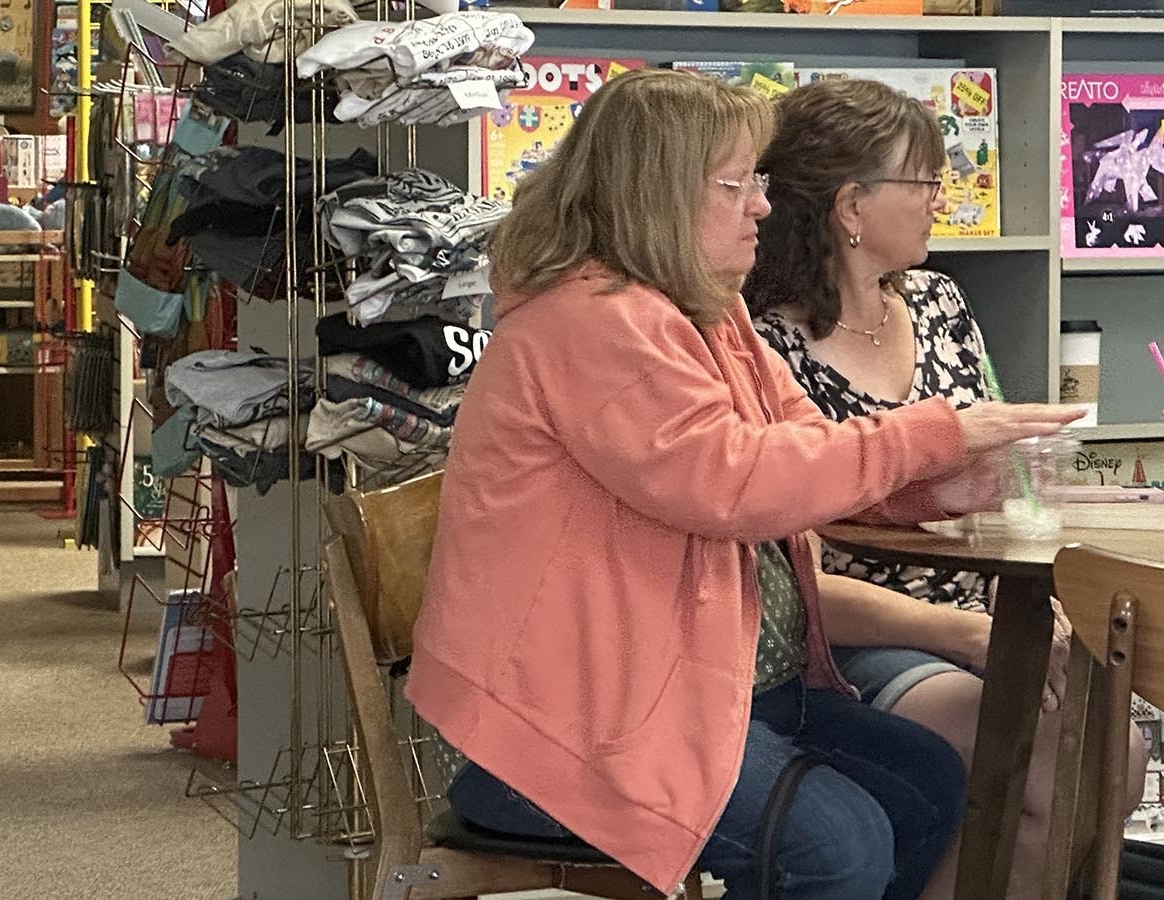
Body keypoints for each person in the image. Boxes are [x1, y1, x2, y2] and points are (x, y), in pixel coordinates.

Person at [406, 68, 1084, 900]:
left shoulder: (709, 311)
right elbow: (729, 478)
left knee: (924, 786)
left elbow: (800, 447)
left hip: (691, 686)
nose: (762, 204)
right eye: (736, 184)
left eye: (759, 181)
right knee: (839, 847)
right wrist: (938, 432)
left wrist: (926, 493)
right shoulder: (587, 320)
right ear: (658, 196)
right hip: (561, 727)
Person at [743, 77, 1147, 898]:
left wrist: (1043, 594)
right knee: (1032, 759)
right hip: (862, 634)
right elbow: (795, 582)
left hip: (992, 606)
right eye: (923, 179)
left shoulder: (941, 303)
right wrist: (961, 633)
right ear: (851, 206)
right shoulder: (762, 345)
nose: (942, 197)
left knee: (1119, 753)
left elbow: (997, 490)